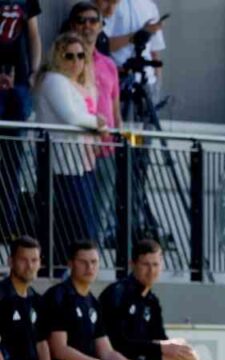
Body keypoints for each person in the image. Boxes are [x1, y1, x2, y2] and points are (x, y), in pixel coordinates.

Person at [32, 32, 106, 265]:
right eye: (69, 56)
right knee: (67, 224)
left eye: (80, 56)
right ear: (58, 57)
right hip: (62, 166)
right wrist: (98, 124)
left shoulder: (82, 84)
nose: (76, 62)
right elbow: (71, 116)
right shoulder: (54, 80)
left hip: (82, 164)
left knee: (83, 227)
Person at [68, 1, 122, 246]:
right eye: (82, 20)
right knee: (78, 211)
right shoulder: (68, 61)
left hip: (107, 147)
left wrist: (117, 137)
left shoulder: (109, 64)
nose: (87, 26)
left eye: (93, 21)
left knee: (100, 209)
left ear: (101, 26)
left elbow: (114, 107)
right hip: (79, 148)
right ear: (73, 25)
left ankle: (93, 258)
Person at [0, 0, 41, 238]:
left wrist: (33, 71)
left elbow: (34, 34)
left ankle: (7, 225)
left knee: (14, 157)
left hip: (20, 83)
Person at [104, 0, 165, 102]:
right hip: (118, 81)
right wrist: (135, 37)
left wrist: (158, 82)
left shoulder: (150, 5)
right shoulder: (110, 4)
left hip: (147, 82)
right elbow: (103, 45)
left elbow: (154, 49)